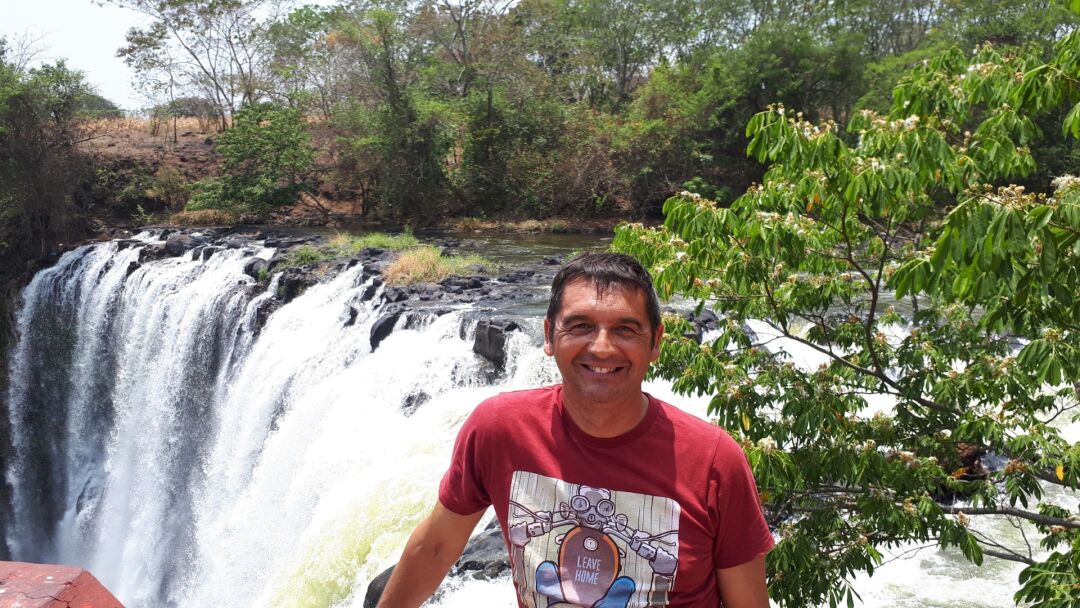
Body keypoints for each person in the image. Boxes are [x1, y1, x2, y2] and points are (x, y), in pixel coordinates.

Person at [377, 253, 773, 608]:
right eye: (581, 326)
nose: (601, 348)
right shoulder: (498, 430)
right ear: (549, 336)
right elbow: (436, 547)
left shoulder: (713, 460)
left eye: (625, 329)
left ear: (655, 342)